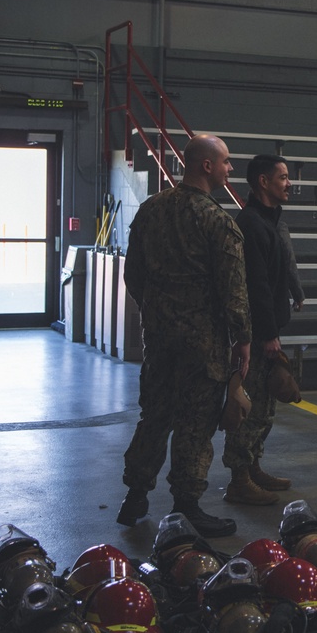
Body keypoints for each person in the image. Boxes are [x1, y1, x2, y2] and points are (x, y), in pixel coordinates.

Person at [117, 134, 250, 538]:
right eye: (225, 162)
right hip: (202, 342)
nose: (230, 169)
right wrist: (241, 339)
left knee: (155, 414)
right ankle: (187, 505)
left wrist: (160, 311)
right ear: (206, 166)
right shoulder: (217, 220)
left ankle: (135, 495)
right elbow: (233, 288)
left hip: (158, 336)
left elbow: (133, 275)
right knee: (195, 422)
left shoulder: (151, 210)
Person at [222, 154, 295, 506]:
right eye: (282, 177)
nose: (289, 182)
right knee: (250, 406)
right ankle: (239, 477)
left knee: (265, 406)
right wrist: (267, 335)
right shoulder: (251, 223)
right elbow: (256, 286)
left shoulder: (269, 220)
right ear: (263, 182)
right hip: (258, 330)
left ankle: (253, 467)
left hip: (268, 326)